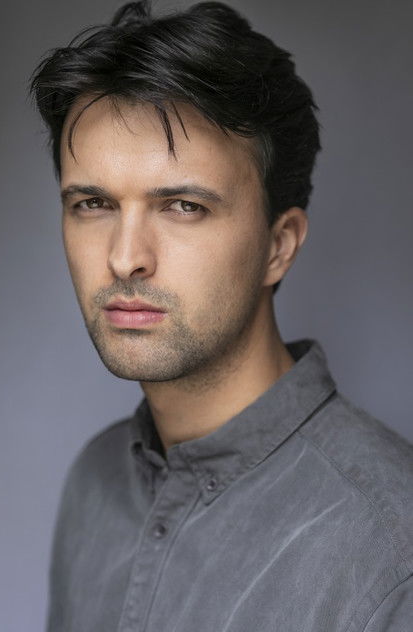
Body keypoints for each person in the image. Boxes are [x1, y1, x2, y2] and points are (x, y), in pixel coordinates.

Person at [29, 1, 413, 630]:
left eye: (183, 206)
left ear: (278, 246)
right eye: (93, 203)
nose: (124, 258)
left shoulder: (391, 550)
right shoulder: (93, 482)